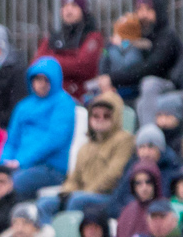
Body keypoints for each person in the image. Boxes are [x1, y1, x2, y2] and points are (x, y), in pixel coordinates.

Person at [40, 90, 132, 218]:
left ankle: (72, 231)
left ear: (115, 117)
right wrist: (66, 192)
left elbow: (114, 174)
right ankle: (49, 231)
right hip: (82, 194)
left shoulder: (124, 140)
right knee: (45, 204)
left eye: (106, 116)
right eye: (96, 115)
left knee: (77, 201)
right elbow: (74, 178)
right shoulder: (85, 146)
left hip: (109, 197)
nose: (100, 119)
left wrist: (87, 191)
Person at [0, 58, 76, 197]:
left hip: (50, 168)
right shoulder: (23, 106)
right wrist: (4, 163)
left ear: (55, 80)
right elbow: (11, 140)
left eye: (46, 80)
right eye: (37, 79)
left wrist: (21, 162)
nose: (42, 84)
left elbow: (54, 140)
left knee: (11, 185)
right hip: (18, 166)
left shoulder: (63, 103)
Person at [33, 0, 102, 101]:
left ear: (83, 11)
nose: (68, 10)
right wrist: (70, 59)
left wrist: (50, 60)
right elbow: (36, 63)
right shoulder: (53, 37)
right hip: (51, 96)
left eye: (74, 6)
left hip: (82, 97)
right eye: (65, 6)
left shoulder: (92, 36)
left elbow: (83, 66)